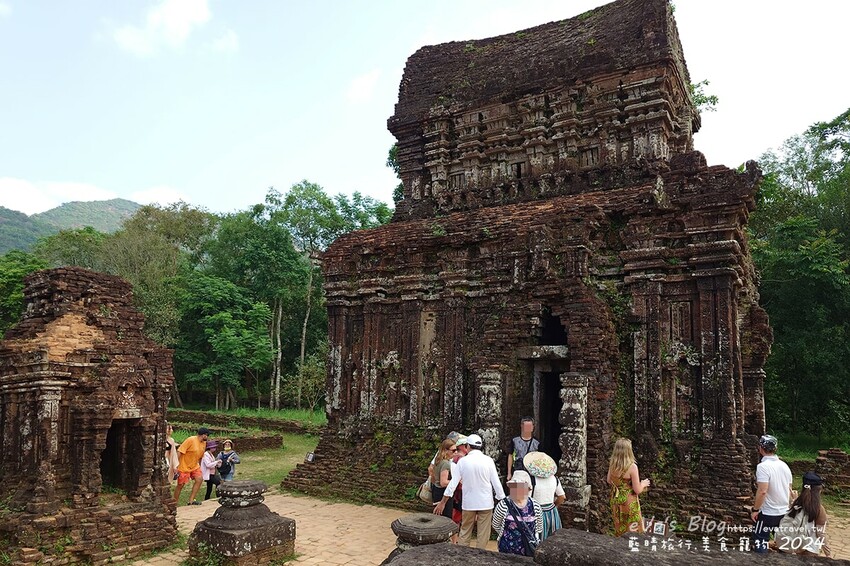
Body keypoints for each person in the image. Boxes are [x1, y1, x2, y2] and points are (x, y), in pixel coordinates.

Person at [434, 434, 505, 548]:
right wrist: (503, 501)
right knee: (483, 534)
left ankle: (463, 556)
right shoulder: (488, 461)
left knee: (465, 531)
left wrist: (443, 501)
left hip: (469, 503)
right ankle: (480, 555)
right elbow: (496, 484)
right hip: (486, 502)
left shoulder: (463, 462)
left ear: (467, 446)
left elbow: (452, 484)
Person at [751, 434, 793, 553]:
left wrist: (755, 510)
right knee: (783, 544)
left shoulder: (763, 467)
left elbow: (763, 491)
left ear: (760, 448)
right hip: (784, 511)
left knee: (760, 541)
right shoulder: (784, 466)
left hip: (768, 512)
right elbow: (789, 489)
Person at [776, 471, 831, 557]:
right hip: (809, 548)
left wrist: (793, 500)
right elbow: (820, 533)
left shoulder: (796, 503)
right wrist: (828, 554)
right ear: (819, 490)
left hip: (790, 545)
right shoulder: (818, 508)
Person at [492, 470, 543, 556]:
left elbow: (538, 528)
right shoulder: (503, 505)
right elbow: (496, 524)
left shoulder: (535, 506)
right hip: (506, 550)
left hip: (528, 550)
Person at [607, 438, 650, 536]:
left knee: (620, 526)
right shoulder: (632, 467)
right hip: (629, 501)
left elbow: (609, 480)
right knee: (633, 529)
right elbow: (637, 490)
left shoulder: (612, 464)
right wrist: (643, 483)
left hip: (616, 499)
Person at [524, 451, 565, 540]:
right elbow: (562, 497)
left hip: (537, 512)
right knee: (553, 539)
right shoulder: (555, 479)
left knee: (538, 540)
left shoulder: (531, 480)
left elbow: (527, 500)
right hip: (552, 511)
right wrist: (555, 505)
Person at [173, 426, 210, 505]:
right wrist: (175, 465)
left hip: (194, 466)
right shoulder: (191, 440)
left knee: (199, 479)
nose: (207, 437)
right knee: (180, 485)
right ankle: (174, 503)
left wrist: (200, 466)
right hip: (184, 466)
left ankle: (191, 500)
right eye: (207, 435)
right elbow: (180, 451)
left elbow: (200, 456)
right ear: (203, 435)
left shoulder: (204, 443)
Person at [506, 417, 540, 481]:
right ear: (522, 426)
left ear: (533, 427)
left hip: (531, 471)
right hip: (518, 470)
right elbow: (510, 455)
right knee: (518, 490)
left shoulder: (537, 443)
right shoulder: (515, 441)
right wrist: (509, 473)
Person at [431, 439, 457, 519]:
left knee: (438, 517)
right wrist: (456, 481)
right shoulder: (446, 463)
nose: (456, 452)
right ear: (446, 450)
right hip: (443, 492)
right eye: (453, 450)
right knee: (445, 519)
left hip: (436, 490)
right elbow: (443, 482)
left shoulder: (438, 460)